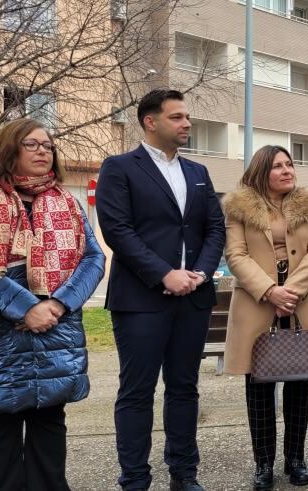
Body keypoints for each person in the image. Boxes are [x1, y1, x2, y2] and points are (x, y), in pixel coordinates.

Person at [96, 89, 226, 491]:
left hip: (193, 298)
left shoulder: (198, 174)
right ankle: (134, 478)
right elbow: (117, 229)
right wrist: (164, 274)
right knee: (137, 392)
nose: (186, 123)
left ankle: (184, 475)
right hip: (141, 300)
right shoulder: (119, 168)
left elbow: (214, 229)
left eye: (187, 117)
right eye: (177, 117)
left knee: (184, 388)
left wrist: (201, 273)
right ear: (150, 121)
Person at [0, 119, 106, 491]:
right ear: (9, 149)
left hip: (56, 328)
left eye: (48, 145)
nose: (42, 151)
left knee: (50, 425)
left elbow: (93, 259)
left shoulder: (67, 202)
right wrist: (25, 308)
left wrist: (59, 305)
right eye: (31, 144)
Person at [221, 145, 308, 490]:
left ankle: (296, 459)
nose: (288, 170)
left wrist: (292, 291)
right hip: (258, 303)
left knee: (300, 381)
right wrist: (271, 291)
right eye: (278, 166)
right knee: (259, 385)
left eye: (290, 164)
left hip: (303, 302)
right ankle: (263, 465)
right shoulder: (239, 208)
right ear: (262, 172)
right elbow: (236, 255)